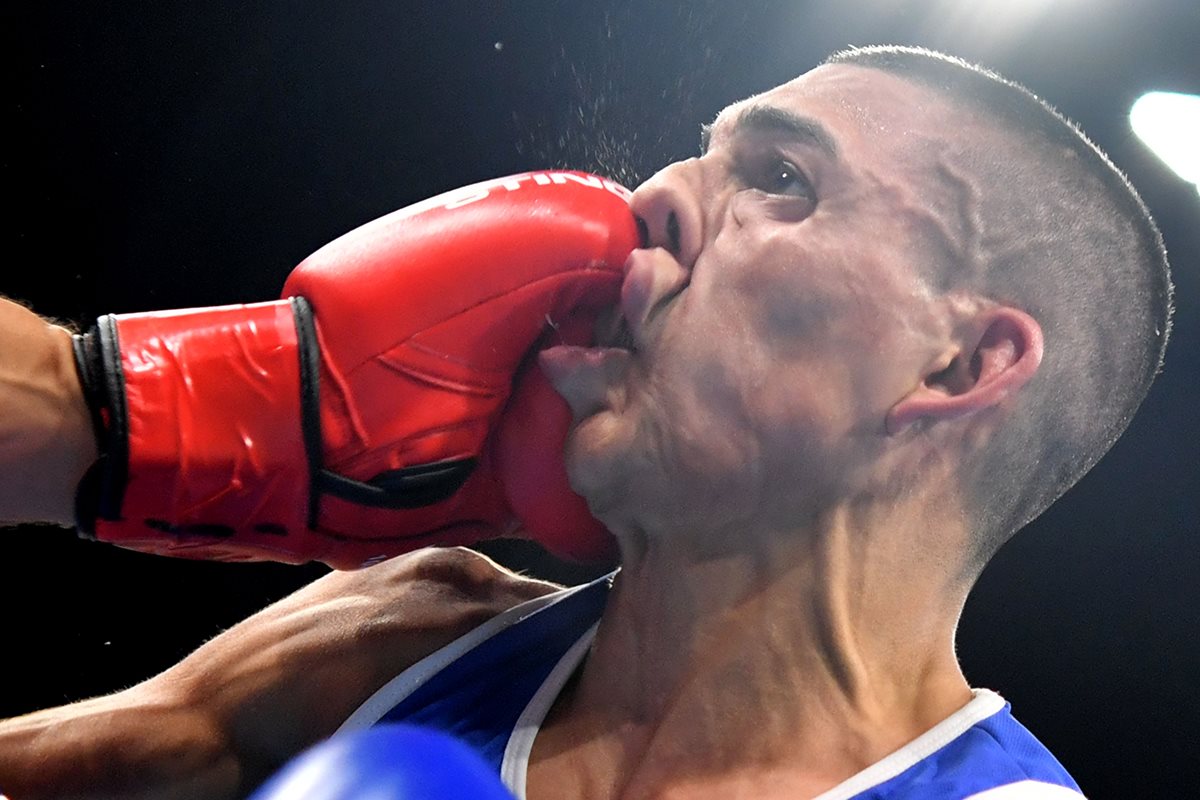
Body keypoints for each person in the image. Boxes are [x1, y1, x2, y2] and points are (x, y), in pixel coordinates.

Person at [0, 44, 1172, 799]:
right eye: (703, 158)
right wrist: (119, 413)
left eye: (779, 179)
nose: (655, 196)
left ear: (960, 362)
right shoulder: (408, 634)